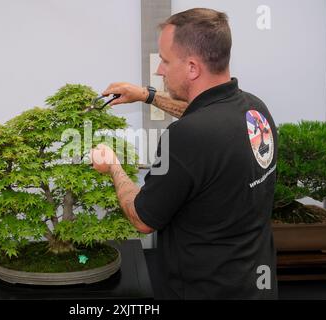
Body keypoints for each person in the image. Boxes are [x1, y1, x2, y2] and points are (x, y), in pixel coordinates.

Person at [90, 8, 278, 299]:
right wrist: (147, 95)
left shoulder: (186, 137)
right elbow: (202, 112)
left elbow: (142, 218)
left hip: (202, 289)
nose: (159, 70)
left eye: (165, 60)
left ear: (192, 67)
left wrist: (114, 166)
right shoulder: (254, 110)